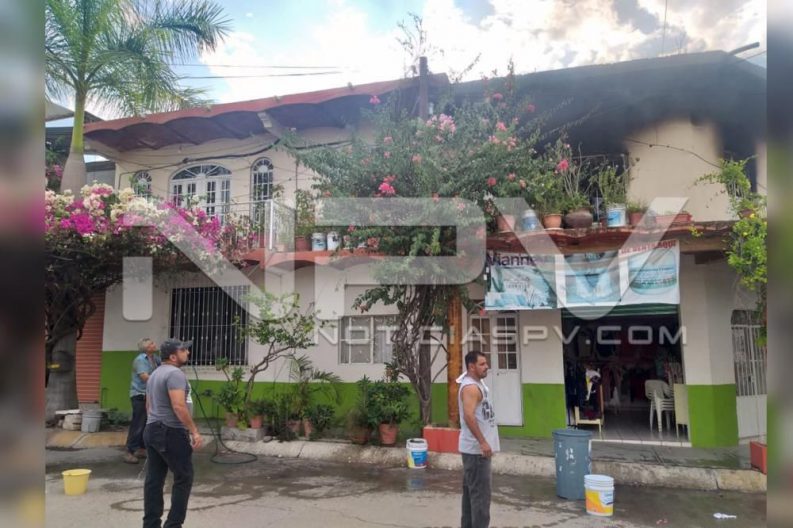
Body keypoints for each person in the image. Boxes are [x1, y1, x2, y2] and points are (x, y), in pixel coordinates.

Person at [143, 339, 203, 528]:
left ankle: (150, 524)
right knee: (184, 476)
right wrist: (194, 431)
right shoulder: (175, 374)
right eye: (183, 350)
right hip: (170, 431)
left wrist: (155, 425)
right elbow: (179, 406)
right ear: (173, 356)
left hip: (152, 429)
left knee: (154, 479)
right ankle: (173, 525)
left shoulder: (155, 374)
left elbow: (148, 405)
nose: (188, 353)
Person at [457, 351, 500, 528]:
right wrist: (482, 442)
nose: (486, 367)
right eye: (482, 364)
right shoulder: (471, 388)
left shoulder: (476, 383)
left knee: (471, 497)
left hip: (476, 452)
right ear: (471, 367)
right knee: (481, 500)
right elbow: (469, 416)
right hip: (476, 453)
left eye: (486, 363)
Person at [124, 338, 161, 464]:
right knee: (138, 424)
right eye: (152, 343)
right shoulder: (141, 360)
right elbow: (145, 377)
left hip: (149, 395)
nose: (154, 344)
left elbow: (162, 369)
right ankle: (129, 450)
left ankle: (140, 448)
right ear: (146, 347)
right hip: (139, 395)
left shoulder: (155, 358)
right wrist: (161, 381)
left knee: (145, 423)